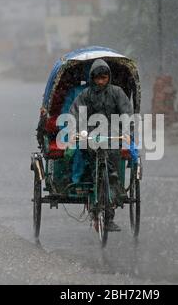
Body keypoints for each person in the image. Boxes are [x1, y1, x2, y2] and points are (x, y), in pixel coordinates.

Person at [69, 59, 133, 232]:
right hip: (91, 135)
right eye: (97, 79)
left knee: (111, 171)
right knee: (92, 162)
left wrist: (126, 131)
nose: (100, 82)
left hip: (113, 134)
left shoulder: (117, 93)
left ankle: (110, 214)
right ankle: (95, 191)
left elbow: (127, 113)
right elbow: (75, 113)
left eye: (104, 78)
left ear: (108, 78)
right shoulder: (85, 95)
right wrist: (77, 130)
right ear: (92, 78)